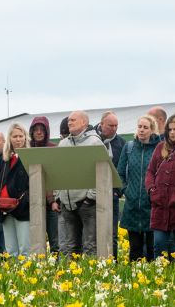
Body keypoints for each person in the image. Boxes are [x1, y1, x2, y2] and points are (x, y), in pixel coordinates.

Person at [55, 111, 108, 256]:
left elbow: (103, 172)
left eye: (73, 120)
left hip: (87, 204)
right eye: (69, 120)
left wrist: (90, 197)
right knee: (69, 248)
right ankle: (71, 278)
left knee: (90, 247)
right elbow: (57, 170)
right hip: (67, 204)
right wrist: (58, 196)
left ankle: (89, 277)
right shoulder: (63, 144)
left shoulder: (95, 143)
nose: (69, 122)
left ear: (84, 122)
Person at [147, 115, 175, 260]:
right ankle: (160, 275)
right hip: (159, 204)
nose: (172, 132)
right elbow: (150, 171)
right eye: (170, 129)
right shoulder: (161, 147)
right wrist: (152, 190)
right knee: (159, 244)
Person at [118, 115, 161, 261]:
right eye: (139, 127)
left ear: (152, 130)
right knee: (134, 249)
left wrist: (156, 193)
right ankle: (134, 279)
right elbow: (120, 173)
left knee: (152, 248)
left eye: (145, 127)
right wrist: (126, 191)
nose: (141, 130)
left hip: (152, 205)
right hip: (132, 205)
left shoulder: (159, 148)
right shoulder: (129, 148)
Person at [95, 112, 127, 259]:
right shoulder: (91, 140)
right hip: (91, 194)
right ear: (101, 124)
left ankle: (111, 263)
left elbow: (124, 170)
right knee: (92, 232)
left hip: (112, 195)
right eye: (110, 125)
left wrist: (118, 191)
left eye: (116, 126)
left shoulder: (122, 144)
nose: (114, 129)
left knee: (111, 233)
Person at [0, 123, 32, 255]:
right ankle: (13, 275)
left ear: (25, 137)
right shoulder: (4, 159)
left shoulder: (31, 156)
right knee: (11, 249)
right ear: (9, 139)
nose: (18, 139)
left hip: (22, 208)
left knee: (25, 249)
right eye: (14, 136)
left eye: (20, 136)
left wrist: (25, 201)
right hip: (5, 209)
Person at [29, 116, 61, 253]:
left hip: (51, 203)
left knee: (55, 241)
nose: (39, 132)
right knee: (34, 242)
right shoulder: (27, 149)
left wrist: (53, 200)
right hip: (31, 203)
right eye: (36, 130)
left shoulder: (54, 149)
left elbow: (55, 177)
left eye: (42, 130)